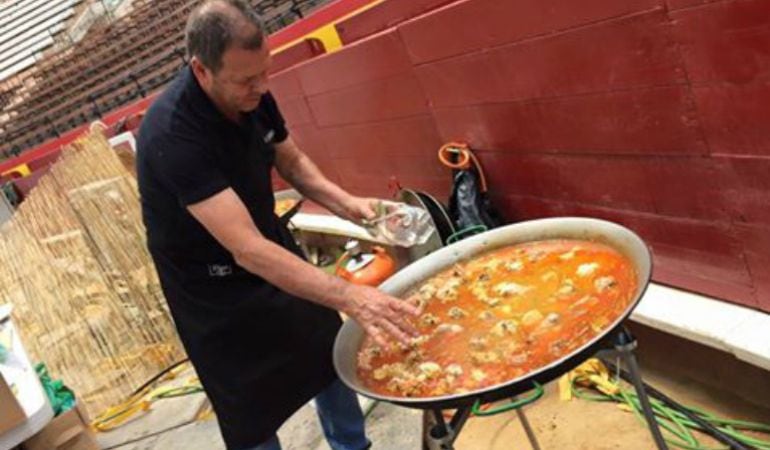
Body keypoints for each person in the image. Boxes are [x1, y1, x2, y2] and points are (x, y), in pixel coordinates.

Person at [135, 1, 418, 449]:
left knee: (328, 352)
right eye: (247, 80)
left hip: (269, 245)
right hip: (212, 289)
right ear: (201, 70)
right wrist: (352, 296)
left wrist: (347, 204)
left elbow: (292, 160)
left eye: (265, 72)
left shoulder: (253, 94)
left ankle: (352, 445)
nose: (261, 88)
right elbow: (245, 250)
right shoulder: (173, 135)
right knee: (250, 412)